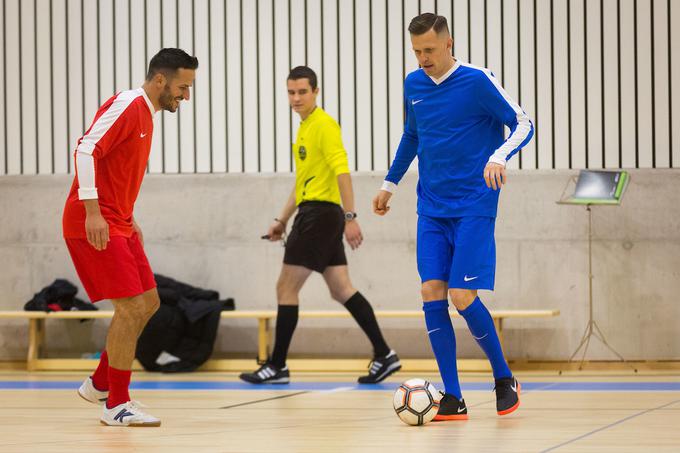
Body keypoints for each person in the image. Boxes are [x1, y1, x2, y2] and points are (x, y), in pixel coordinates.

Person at [372, 13, 534, 421]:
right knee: (431, 292)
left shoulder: (478, 80)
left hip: (475, 204)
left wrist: (499, 156)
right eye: (416, 52)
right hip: (431, 206)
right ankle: (453, 396)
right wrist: (389, 184)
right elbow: (412, 135)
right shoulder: (413, 84)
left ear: (448, 44)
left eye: (428, 50)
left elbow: (523, 122)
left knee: (462, 297)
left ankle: (503, 378)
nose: (422, 59)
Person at [62, 48, 198, 426]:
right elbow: (86, 149)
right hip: (94, 220)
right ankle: (115, 404)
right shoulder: (128, 104)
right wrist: (92, 211)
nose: (185, 96)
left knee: (150, 301)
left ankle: (100, 383)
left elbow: (114, 171)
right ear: (160, 80)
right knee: (130, 307)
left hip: (118, 219)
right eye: (183, 87)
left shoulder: (147, 116)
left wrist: (128, 215)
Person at [240, 66, 401, 385]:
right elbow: (302, 182)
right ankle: (385, 355)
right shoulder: (305, 127)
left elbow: (342, 171)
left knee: (285, 288)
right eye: (291, 92)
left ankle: (277, 366)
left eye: (302, 91)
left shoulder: (324, 126)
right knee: (341, 289)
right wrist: (281, 220)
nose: (296, 98)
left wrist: (351, 217)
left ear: (316, 91)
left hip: (318, 217)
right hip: (318, 214)